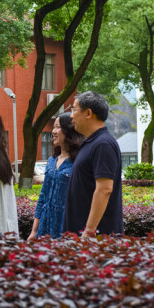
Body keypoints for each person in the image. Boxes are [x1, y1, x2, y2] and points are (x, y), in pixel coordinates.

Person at [64, 91, 124, 237]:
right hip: (80, 234)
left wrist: (90, 230)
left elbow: (104, 189)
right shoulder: (90, 143)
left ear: (88, 113)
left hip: (96, 238)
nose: (71, 116)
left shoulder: (103, 144)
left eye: (74, 110)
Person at [28, 113, 83, 240]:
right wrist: (34, 231)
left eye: (58, 127)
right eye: (53, 127)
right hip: (45, 225)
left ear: (69, 130)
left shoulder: (79, 161)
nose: (53, 131)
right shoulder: (51, 160)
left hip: (67, 225)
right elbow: (43, 196)